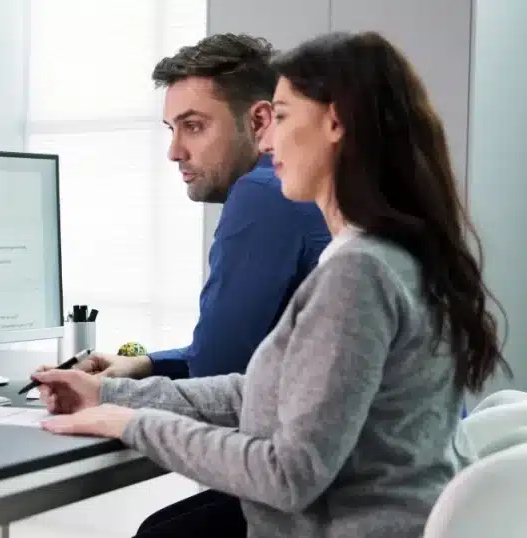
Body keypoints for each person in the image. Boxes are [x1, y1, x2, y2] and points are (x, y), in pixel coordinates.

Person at [31, 31, 507, 538]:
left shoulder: (358, 273)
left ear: (334, 125)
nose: (267, 139)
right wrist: (112, 393)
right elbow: (273, 392)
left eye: (280, 117)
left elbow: (288, 475)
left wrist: (127, 422)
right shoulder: (393, 251)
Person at [53, 34, 330, 381]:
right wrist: (148, 363)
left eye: (194, 126)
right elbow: (228, 356)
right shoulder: (301, 188)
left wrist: (100, 394)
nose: (174, 151)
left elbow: (213, 373)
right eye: (172, 129)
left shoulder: (262, 193)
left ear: (259, 121)